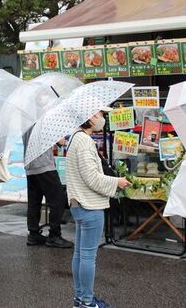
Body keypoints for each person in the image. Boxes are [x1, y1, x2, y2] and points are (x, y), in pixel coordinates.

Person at [66, 109, 131, 308]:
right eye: (101, 113)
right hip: (89, 205)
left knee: (80, 254)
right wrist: (117, 182)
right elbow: (92, 178)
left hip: (79, 204)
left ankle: (80, 298)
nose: (103, 118)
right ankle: (86, 300)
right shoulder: (83, 141)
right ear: (91, 116)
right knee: (87, 256)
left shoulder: (74, 138)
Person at [23, 128, 73, 248]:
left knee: (34, 201)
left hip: (30, 165)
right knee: (58, 200)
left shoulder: (26, 118)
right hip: (44, 164)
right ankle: (54, 235)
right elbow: (60, 140)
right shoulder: (44, 115)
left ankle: (33, 234)